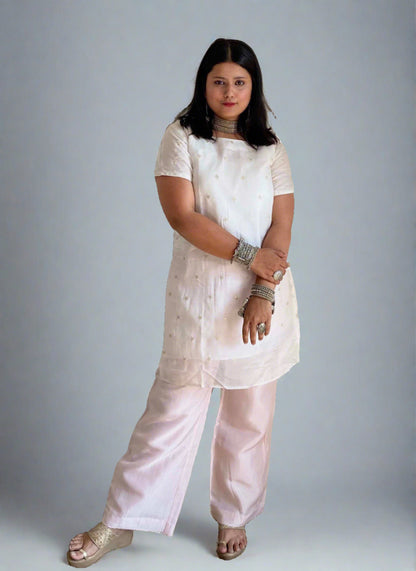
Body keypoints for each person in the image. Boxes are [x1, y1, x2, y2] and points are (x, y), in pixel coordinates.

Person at [66, 37, 300, 567]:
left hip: (262, 298)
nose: (229, 91)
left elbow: (281, 226)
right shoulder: (181, 137)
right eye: (219, 81)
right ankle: (123, 520)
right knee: (170, 411)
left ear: (253, 88)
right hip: (199, 298)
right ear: (203, 85)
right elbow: (182, 217)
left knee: (251, 414)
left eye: (240, 82)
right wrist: (250, 257)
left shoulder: (272, 150)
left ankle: (234, 514)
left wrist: (264, 290)